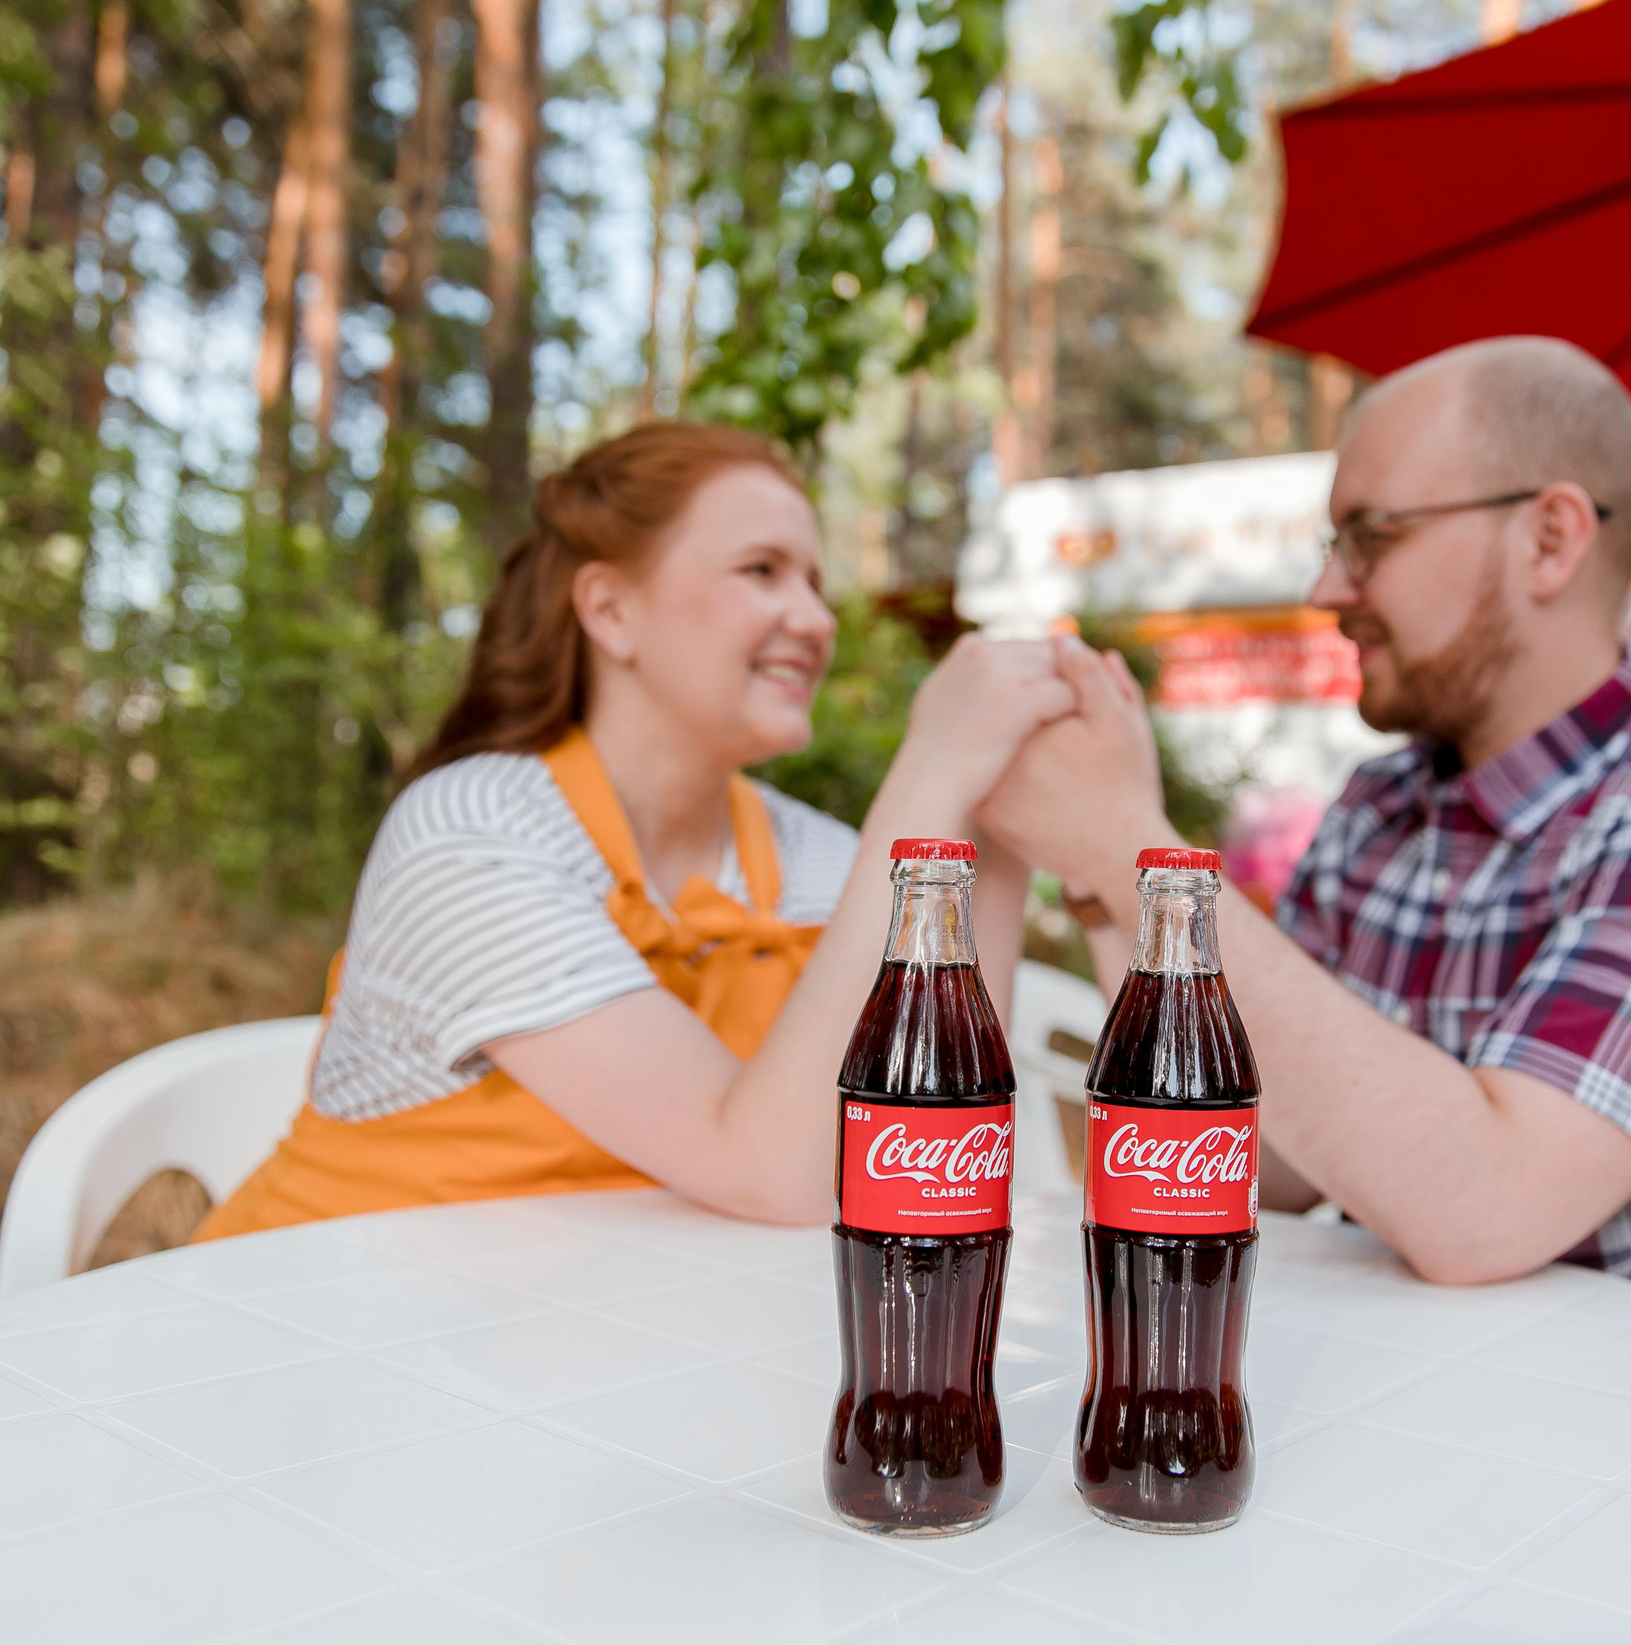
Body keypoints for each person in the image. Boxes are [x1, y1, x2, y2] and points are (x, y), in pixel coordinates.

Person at [983, 336, 1631, 1358]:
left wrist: (1127, 845)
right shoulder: (1381, 809)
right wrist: (1102, 878)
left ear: (1550, 540)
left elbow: (1489, 1209)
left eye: (1371, 537)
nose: (1329, 588)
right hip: (1483, 1393)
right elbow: (1267, 1163)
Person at [197, 422, 1074, 1238]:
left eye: (814, 582)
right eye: (761, 570)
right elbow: (772, 1172)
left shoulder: (814, 859)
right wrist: (933, 767)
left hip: (601, 1329)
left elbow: (940, 1133)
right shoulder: (470, 835)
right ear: (611, 610)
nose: (817, 619)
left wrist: (991, 819)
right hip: (319, 1321)